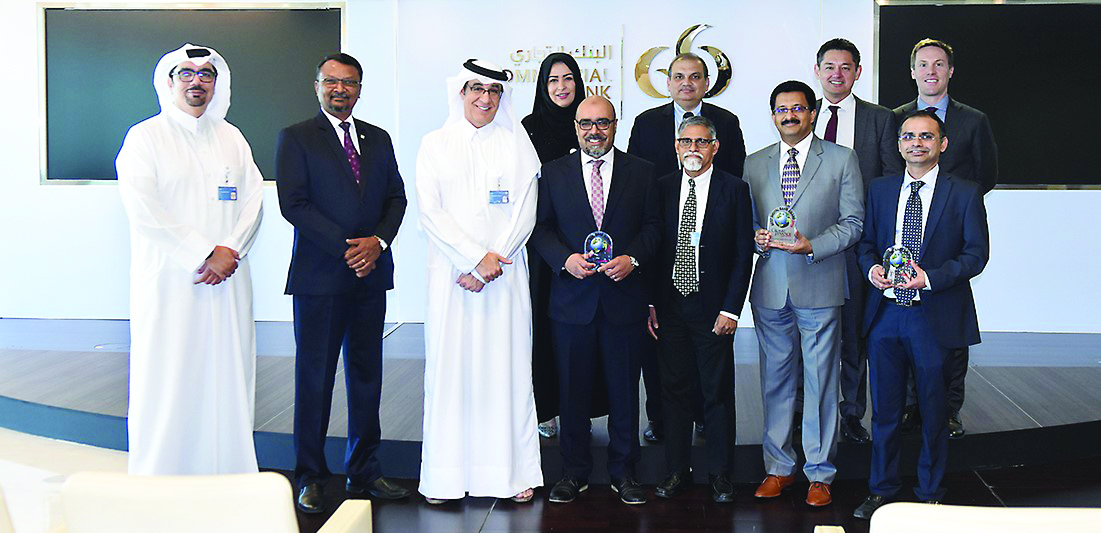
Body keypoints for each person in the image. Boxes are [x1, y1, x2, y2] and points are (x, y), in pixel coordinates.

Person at [117, 43, 263, 475]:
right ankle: (161, 476)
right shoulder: (145, 137)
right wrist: (203, 254)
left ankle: (229, 471)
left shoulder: (231, 137)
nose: (197, 82)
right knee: (169, 378)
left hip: (229, 281)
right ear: (169, 82)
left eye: (206, 74)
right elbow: (144, 209)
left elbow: (253, 201)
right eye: (187, 73)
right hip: (172, 283)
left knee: (227, 376)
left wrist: (230, 250)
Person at [275, 52, 410, 513]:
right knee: (315, 379)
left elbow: (397, 197)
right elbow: (293, 204)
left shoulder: (378, 138)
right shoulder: (296, 138)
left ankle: (364, 471)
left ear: (359, 88)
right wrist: (348, 247)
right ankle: (311, 475)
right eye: (331, 81)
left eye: (349, 82)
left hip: (371, 277)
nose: (340, 89)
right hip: (320, 278)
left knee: (367, 377)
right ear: (317, 86)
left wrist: (378, 243)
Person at [414, 59, 543, 504]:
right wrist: (471, 260)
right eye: (476, 89)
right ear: (460, 92)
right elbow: (430, 211)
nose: (485, 99)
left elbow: (526, 212)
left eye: (493, 91)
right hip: (451, 279)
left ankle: (510, 475)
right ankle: (445, 479)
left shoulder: (516, 146)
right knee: (451, 376)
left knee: (505, 371)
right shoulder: (434, 144)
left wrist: (492, 261)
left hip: (504, 278)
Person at [853, 110, 989, 519]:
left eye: (926, 137)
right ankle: (881, 489)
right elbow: (866, 245)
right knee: (886, 412)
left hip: (933, 315)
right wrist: (871, 268)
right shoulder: (879, 190)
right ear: (898, 145)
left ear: (942, 144)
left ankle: (930, 490)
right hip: (886, 315)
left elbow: (975, 255)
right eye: (908, 136)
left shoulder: (964, 192)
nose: (917, 143)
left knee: (932, 410)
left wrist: (929, 278)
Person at [532, 95, 661, 505]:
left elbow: (656, 227)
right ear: (576, 127)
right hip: (572, 302)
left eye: (603, 122)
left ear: (615, 125)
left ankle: (625, 473)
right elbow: (539, 229)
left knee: (625, 391)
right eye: (586, 123)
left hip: (624, 299)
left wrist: (633, 258)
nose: (594, 130)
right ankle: (573, 472)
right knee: (572, 390)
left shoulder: (642, 173)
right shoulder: (552, 174)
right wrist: (564, 259)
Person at [744, 80, 864, 507]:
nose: (789, 115)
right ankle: (778, 468)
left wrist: (812, 244)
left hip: (819, 281)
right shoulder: (754, 163)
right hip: (771, 288)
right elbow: (744, 224)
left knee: (820, 382)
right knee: (775, 382)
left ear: (812, 113)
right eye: (781, 109)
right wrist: (755, 238)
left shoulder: (841, 159)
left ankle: (819, 472)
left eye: (797, 108)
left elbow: (854, 223)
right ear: (773, 115)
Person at [627, 52, 745, 442]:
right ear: (668, 81)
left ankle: (703, 420)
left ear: (706, 82)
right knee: (662, 357)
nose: (687, 84)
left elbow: (734, 182)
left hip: (708, 253)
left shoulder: (726, 122)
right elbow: (637, 182)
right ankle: (660, 419)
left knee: (709, 362)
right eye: (679, 76)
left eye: (695, 77)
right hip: (662, 251)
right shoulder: (646, 124)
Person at [893, 38, 998, 440]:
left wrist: (954, 209)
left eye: (939, 65)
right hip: (906, 229)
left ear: (950, 71)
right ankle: (908, 407)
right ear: (913, 71)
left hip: (951, 234)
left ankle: (950, 409)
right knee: (903, 316)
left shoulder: (973, 119)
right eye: (923, 64)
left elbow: (986, 174)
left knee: (950, 324)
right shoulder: (897, 117)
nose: (931, 71)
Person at [647, 115, 753, 503]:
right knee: (673, 391)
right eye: (686, 142)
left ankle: (721, 473)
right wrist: (651, 302)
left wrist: (731, 309)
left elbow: (743, 256)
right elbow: (653, 248)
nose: (693, 149)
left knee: (717, 393)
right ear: (676, 147)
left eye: (702, 142)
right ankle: (677, 471)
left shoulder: (734, 190)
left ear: (715, 147)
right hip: (670, 308)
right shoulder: (660, 189)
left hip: (713, 311)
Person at [812, 37, 903, 444]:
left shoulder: (880, 119)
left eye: (845, 67)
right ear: (818, 71)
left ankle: (851, 413)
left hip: (857, 244)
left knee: (854, 333)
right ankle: (806, 410)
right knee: (809, 331)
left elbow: (887, 183)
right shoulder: (802, 114)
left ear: (858, 72)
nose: (837, 74)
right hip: (808, 242)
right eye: (829, 66)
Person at [521, 52, 587, 440]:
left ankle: (584, 408)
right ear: (543, 87)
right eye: (552, 80)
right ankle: (545, 408)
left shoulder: (591, 125)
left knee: (587, 329)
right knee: (544, 329)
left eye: (568, 79)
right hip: (545, 247)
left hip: (590, 244)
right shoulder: (527, 129)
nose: (561, 87)